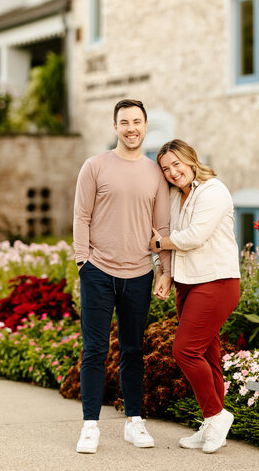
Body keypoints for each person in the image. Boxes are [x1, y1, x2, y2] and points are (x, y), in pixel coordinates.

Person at [73, 99, 171, 454]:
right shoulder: (95, 165)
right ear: (115, 127)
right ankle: (90, 426)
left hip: (140, 273)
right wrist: (83, 262)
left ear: (145, 126)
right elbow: (81, 215)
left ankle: (134, 421)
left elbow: (162, 227)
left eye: (137, 121)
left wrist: (165, 271)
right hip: (98, 272)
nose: (131, 128)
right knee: (95, 351)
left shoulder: (155, 173)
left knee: (133, 349)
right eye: (124, 122)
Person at [150, 139, 240, 454]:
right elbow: (171, 237)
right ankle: (212, 423)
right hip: (187, 283)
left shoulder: (213, 190)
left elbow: (193, 237)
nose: (173, 172)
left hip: (217, 281)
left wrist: (158, 244)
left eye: (177, 164)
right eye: (166, 168)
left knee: (185, 350)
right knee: (207, 355)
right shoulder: (176, 197)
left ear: (191, 160)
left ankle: (217, 415)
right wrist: (165, 274)